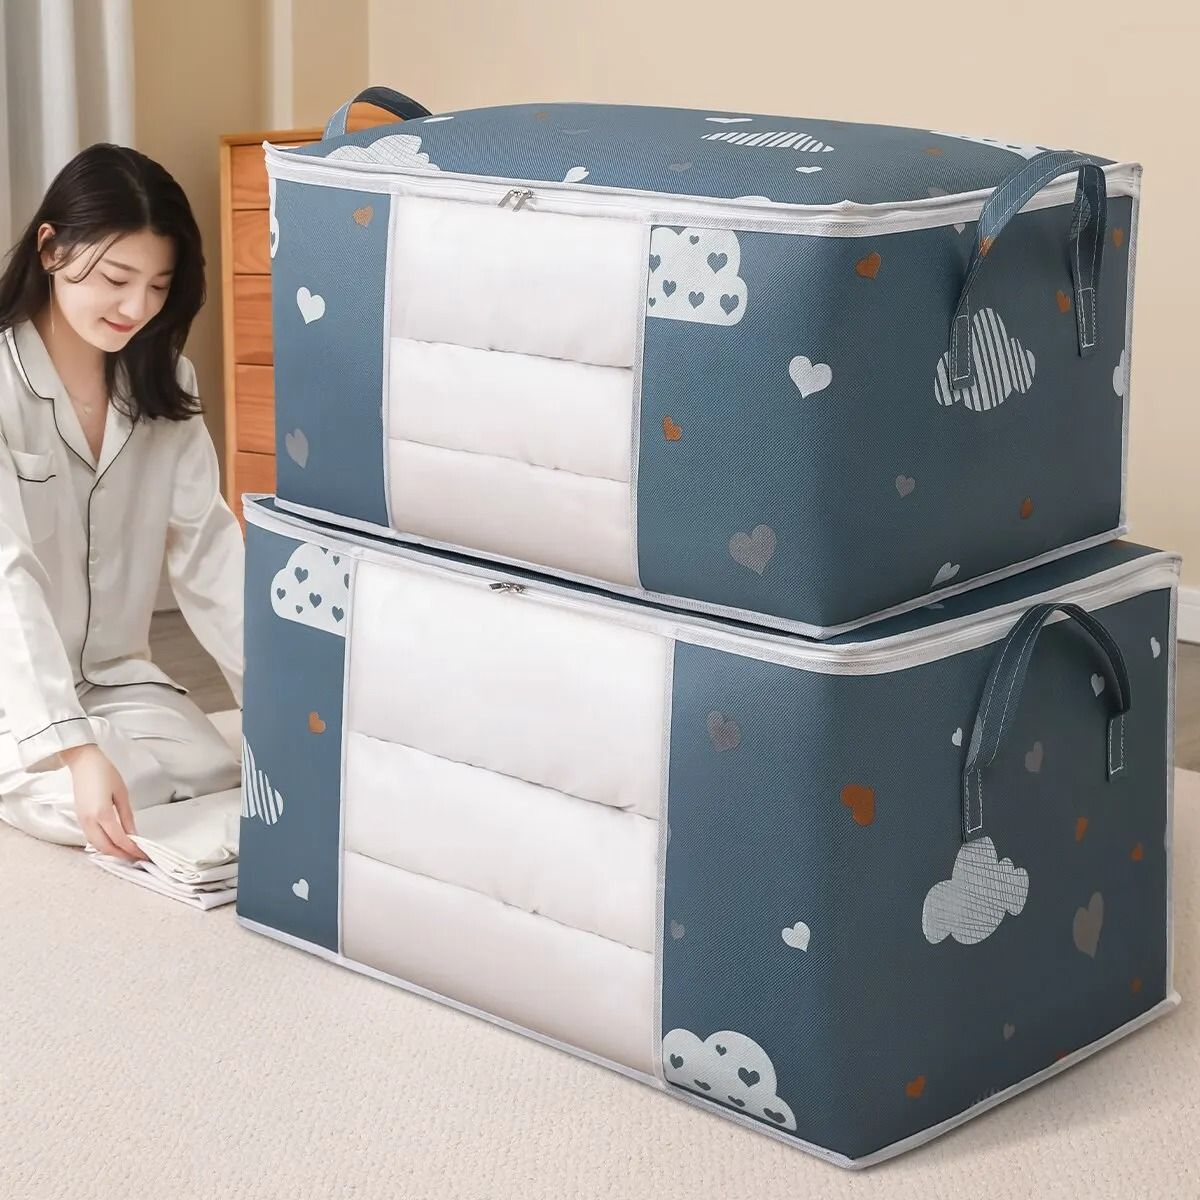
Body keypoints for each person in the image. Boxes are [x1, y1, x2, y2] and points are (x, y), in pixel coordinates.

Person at [0, 143, 244, 862]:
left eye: (159, 286)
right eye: (116, 278)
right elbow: (6, 574)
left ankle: (87, 750)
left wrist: (283, 705)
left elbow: (208, 550)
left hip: (114, 678)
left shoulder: (166, 381)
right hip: (11, 682)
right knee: (105, 793)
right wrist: (76, 751)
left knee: (216, 768)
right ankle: (55, 751)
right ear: (51, 249)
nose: (137, 308)